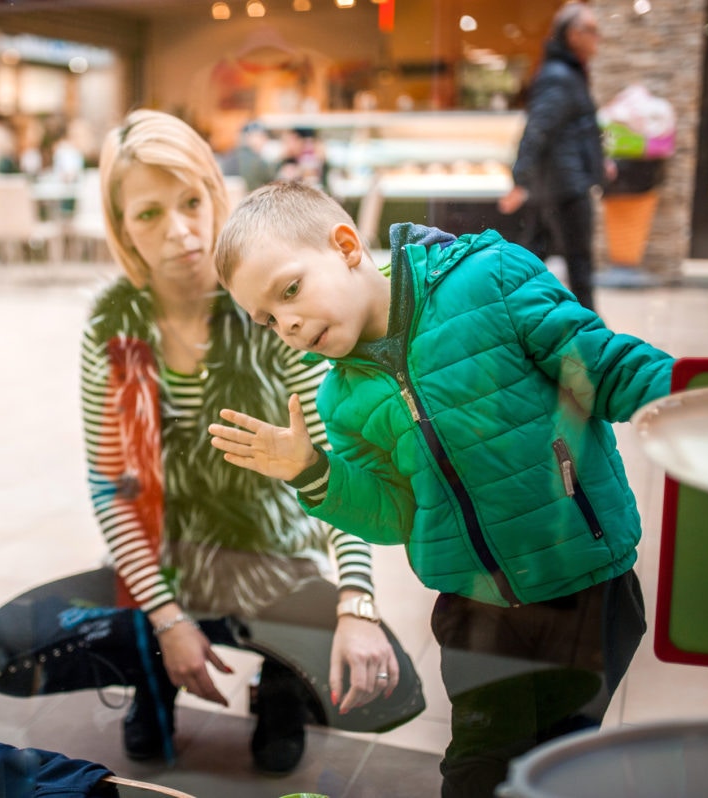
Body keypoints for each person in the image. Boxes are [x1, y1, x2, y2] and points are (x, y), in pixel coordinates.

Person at [0, 110, 423, 777]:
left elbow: (336, 464)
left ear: (217, 193)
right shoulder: (114, 323)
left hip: (272, 564)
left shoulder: (265, 299)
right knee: (2, 652)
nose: (180, 231)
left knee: (392, 692)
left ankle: (281, 683)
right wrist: (165, 617)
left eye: (191, 201)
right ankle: (158, 672)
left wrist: (356, 602)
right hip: (165, 562)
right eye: (148, 214)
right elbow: (112, 488)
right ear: (122, 228)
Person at [208, 180, 675, 797]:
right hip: (474, 609)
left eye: (290, 290)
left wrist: (703, 398)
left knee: (563, 763)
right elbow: (394, 514)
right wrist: (312, 471)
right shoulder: (340, 398)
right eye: (268, 319)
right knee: (476, 772)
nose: (287, 323)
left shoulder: (489, 280)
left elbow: (607, 369)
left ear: (347, 246)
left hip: (588, 588)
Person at [498, 1, 611, 312]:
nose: (597, 38)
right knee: (577, 262)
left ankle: (505, 311)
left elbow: (575, 130)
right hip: (564, 186)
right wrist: (521, 179)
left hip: (562, 181)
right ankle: (592, 332)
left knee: (536, 256)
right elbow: (539, 130)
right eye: (592, 31)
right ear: (574, 34)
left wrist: (599, 164)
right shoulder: (560, 75)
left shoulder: (567, 73)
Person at [221, 120, 275, 193]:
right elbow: (273, 183)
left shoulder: (229, 157)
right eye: (260, 136)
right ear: (247, 138)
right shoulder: (257, 162)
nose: (264, 140)